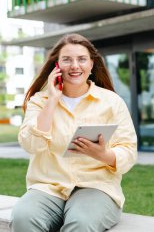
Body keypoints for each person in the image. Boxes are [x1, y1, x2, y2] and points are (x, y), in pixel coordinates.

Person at [10, 33, 137, 232]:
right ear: (57, 65)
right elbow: (30, 145)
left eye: (81, 59)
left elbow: (128, 152)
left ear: (92, 64)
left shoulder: (112, 102)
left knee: (80, 223)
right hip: (48, 187)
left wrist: (104, 155)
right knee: (23, 217)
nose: (75, 65)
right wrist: (52, 100)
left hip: (96, 187)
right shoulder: (39, 101)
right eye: (67, 59)